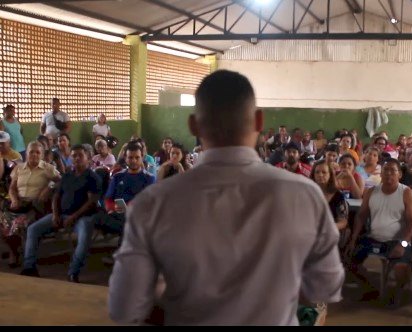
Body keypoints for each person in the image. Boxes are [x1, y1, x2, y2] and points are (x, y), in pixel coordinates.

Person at [108, 70, 344, 325]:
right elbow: (325, 287)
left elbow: (124, 307)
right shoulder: (304, 195)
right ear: (259, 121)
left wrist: (167, 289)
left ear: (194, 125)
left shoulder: (152, 203)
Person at [20, 144, 102, 282]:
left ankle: (73, 272)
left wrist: (73, 217)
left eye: (80, 155)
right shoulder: (67, 175)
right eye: (74, 156)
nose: (76, 158)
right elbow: (57, 196)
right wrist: (56, 214)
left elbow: (91, 202)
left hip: (83, 217)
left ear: (88, 158)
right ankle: (29, 267)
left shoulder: (92, 177)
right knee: (33, 229)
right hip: (62, 215)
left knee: (84, 237)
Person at [347, 158, 412, 305]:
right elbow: (361, 216)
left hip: (398, 241)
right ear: (381, 173)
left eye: (393, 170)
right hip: (374, 238)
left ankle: (399, 293)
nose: (388, 174)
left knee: (401, 268)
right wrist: (353, 238)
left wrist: (403, 244)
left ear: (399, 174)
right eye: (385, 170)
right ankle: (371, 288)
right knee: (348, 261)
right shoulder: (372, 192)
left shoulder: (407, 193)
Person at [1, 141, 60, 268]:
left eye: (37, 152)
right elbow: (12, 188)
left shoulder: (48, 168)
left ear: (42, 155)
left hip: (36, 206)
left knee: (17, 223)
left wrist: (48, 188)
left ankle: (15, 254)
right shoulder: (19, 168)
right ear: (26, 153)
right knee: (3, 222)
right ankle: (14, 250)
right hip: (19, 204)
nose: (34, 154)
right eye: (31, 152)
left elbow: (60, 181)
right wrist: (14, 199)